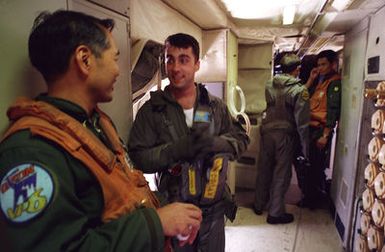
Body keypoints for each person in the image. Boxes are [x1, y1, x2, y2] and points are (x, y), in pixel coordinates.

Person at [0, 10, 202, 252]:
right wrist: (155, 224)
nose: (118, 70)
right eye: (114, 58)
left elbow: (121, 194)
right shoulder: (32, 153)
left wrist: (163, 211)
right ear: (85, 60)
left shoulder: (98, 125)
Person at [127, 33, 249, 252]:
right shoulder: (152, 111)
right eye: (169, 59)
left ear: (197, 64)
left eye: (183, 60)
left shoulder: (215, 107)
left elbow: (240, 140)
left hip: (213, 210)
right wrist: (178, 149)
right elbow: (138, 157)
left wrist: (215, 144)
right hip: (175, 210)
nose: (175, 68)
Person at [253, 53, 309, 224]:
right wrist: (306, 150)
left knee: (264, 169)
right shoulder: (300, 90)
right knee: (281, 173)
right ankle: (275, 213)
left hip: (267, 131)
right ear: (297, 69)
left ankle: (258, 204)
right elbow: (302, 122)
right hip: (285, 134)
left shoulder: (270, 84)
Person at [299, 50, 341, 208]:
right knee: (309, 165)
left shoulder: (334, 83)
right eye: (318, 65)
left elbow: (332, 110)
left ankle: (313, 200)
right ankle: (310, 197)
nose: (321, 68)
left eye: (324, 64)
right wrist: (312, 78)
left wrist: (325, 135)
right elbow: (303, 96)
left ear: (333, 64)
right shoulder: (320, 81)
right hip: (312, 129)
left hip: (320, 131)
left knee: (316, 167)